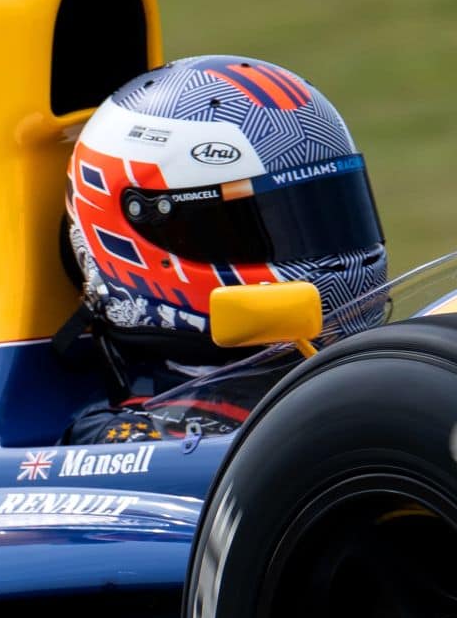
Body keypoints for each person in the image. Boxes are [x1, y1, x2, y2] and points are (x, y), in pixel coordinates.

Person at [59, 56, 388, 442]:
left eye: (328, 211)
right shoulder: (126, 441)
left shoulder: (386, 369)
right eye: (259, 227)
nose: (332, 260)